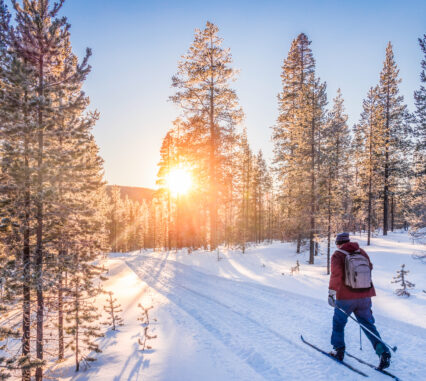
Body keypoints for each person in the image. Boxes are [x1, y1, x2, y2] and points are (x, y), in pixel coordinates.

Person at [328, 232, 391, 370]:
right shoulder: (361, 251)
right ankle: (383, 352)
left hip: (345, 297)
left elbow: (336, 275)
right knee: (368, 325)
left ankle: (339, 351)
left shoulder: (338, 255)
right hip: (364, 296)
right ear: (348, 240)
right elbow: (370, 267)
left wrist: (331, 293)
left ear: (338, 243)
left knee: (338, 324)